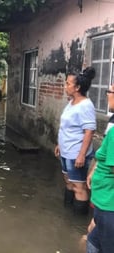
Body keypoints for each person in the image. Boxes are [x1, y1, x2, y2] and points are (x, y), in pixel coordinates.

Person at [54, 67, 96, 215]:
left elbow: (89, 132)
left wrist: (81, 155)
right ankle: (67, 214)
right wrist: (60, 144)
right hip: (66, 151)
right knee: (69, 182)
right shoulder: (72, 103)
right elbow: (66, 127)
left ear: (77, 87)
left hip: (76, 154)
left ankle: (77, 222)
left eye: (68, 83)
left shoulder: (85, 105)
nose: (65, 86)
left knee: (79, 187)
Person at [85, 84, 114, 253]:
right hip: (103, 201)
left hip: (109, 204)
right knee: (93, 240)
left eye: (109, 91)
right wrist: (95, 170)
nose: (106, 95)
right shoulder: (112, 122)